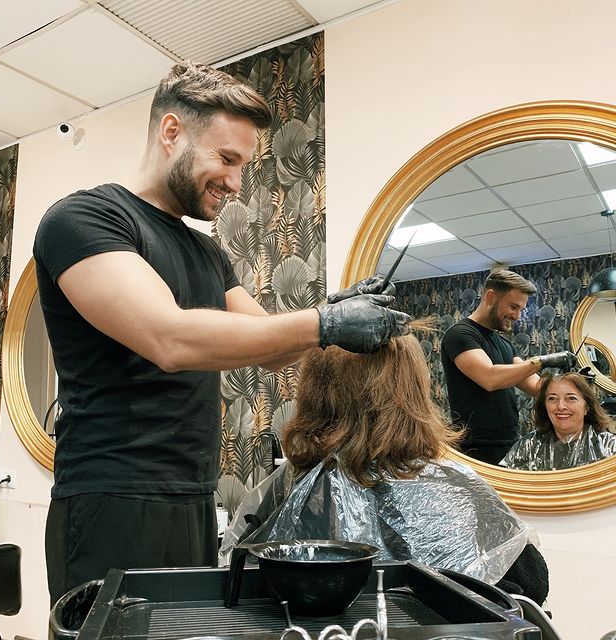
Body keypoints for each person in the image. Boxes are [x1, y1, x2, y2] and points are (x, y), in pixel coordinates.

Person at [33, 60, 409, 606]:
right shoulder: (87, 219)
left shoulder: (207, 250)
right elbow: (171, 339)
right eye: (227, 159)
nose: (235, 183)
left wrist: (333, 314)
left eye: (244, 165)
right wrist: (326, 324)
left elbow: (268, 346)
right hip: (111, 497)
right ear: (171, 132)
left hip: (191, 498)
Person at [219, 325, 549, 605]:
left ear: (313, 393)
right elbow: (533, 584)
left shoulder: (290, 482)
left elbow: (237, 582)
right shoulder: (450, 482)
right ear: (413, 393)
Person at [440, 269, 576, 465]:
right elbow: (490, 378)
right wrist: (544, 360)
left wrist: (571, 383)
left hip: (508, 441)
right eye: (513, 307)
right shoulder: (461, 334)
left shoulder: (504, 344)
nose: (517, 316)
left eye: (521, 309)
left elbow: (535, 386)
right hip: (475, 446)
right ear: (491, 297)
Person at [500, 372, 616, 471]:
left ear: (586, 407)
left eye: (571, 398)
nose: (561, 406)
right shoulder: (528, 446)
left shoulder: (609, 446)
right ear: (544, 406)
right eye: (552, 398)